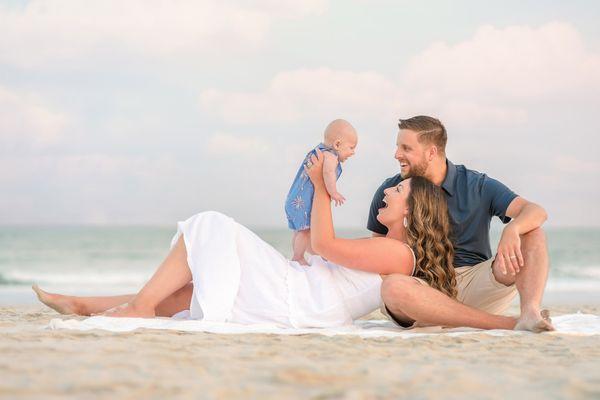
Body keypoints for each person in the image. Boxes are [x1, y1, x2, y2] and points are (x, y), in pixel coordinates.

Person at [32, 150, 457, 329]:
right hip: (299, 295)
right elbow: (318, 251)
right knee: (196, 287)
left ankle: (140, 307)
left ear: (414, 211)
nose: (386, 192)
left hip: (296, 303)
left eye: (397, 192)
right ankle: (85, 306)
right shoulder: (386, 248)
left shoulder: (399, 253)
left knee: (212, 224)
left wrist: (321, 186)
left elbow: (326, 246)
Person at [368, 115, 554, 332]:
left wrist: (513, 228)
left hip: (478, 283)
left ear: (431, 153)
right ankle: (510, 323)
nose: (397, 154)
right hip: (423, 294)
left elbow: (535, 211)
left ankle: (530, 312)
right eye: (398, 147)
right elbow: (378, 253)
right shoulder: (391, 191)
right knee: (393, 287)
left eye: (406, 148)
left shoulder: (475, 185)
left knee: (533, 233)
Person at [284, 119, 358, 265]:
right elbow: (328, 173)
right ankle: (298, 257)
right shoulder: (330, 156)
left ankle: (305, 255)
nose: (353, 152)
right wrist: (333, 192)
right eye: (351, 147)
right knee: (304, 231)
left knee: (301, 231)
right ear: (337, 145)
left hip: (294, 200)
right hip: (303, 202)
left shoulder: (318, 151)